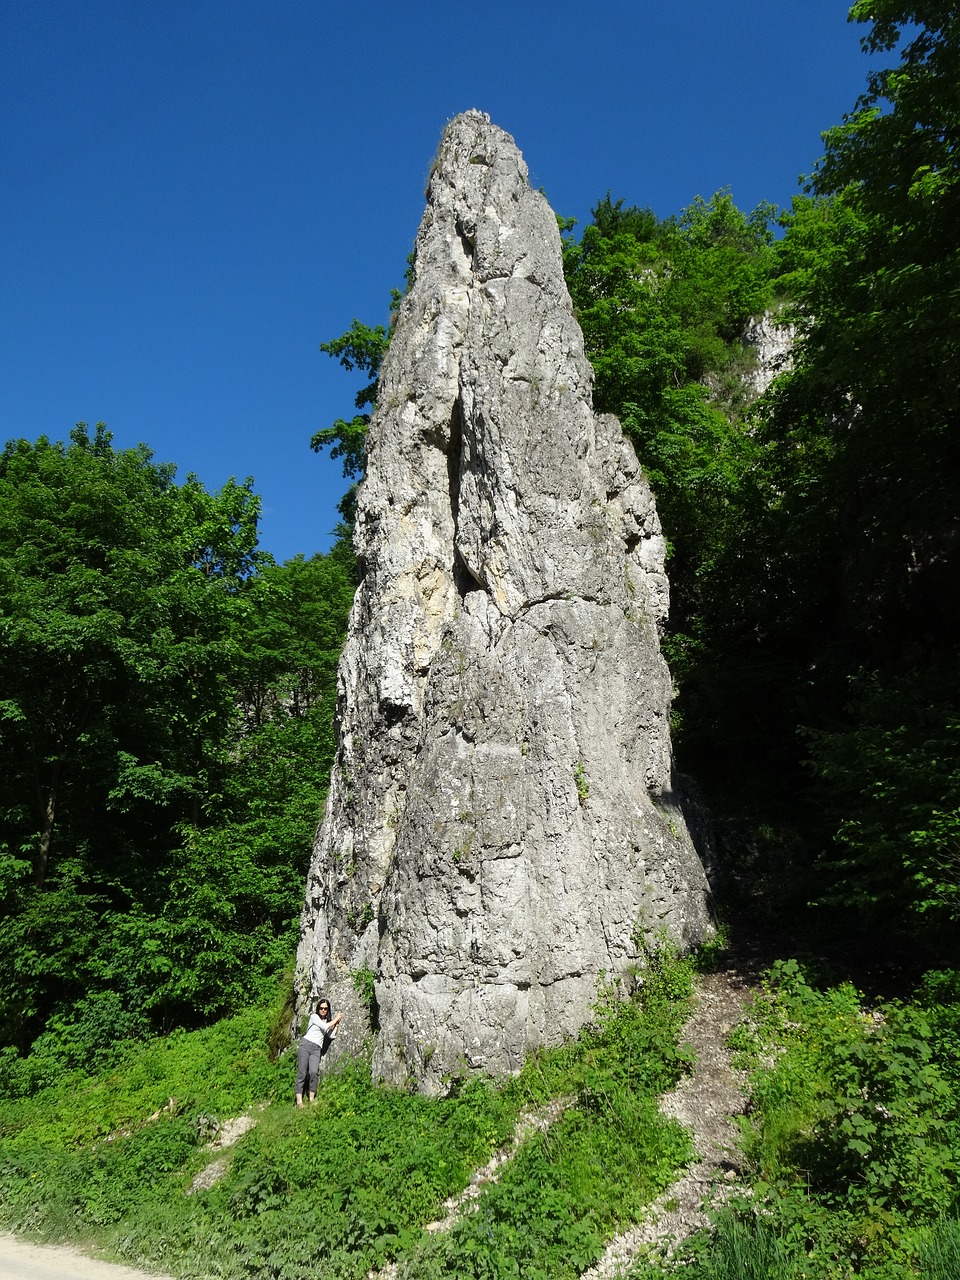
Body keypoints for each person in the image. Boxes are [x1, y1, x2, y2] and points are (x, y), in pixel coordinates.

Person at [295, 996, 343, 1106]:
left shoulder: (327, 1021)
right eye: (321, 1008)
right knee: (302, 1073)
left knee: (313, 1072)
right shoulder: (314, 1017)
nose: (323, 1010)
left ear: (328, 1010)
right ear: (318, 1008)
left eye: (325, 1009)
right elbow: (325, 1027)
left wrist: (336, 1025)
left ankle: (311, 1099)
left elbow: (331, 1035)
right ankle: (299, 1101)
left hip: (316, 1048)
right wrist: (336, 1018)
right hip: (306, 1045)